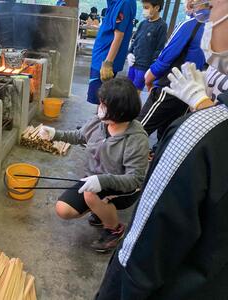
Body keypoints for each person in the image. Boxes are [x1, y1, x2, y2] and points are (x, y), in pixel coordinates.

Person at [95, 0, 228, 298]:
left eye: (216, 4)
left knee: (141, 130)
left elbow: (142, 251)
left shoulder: (201, 131)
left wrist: (152, 77)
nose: (207, 12)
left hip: (163, 283)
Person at [39, 78, 149, 253]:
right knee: (63, 209)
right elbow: (79, 136)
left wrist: (102, 180)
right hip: (94, 180)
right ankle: (100, 211)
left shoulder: (136, 139)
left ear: (120, 111)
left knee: (90, 195)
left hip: (122, 188)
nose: (100, 108)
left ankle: (114, 229)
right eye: (101, 103)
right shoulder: (100, 122)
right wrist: (54, 134)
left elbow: (135, 179)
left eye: (104, 105)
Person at [137, 0, 205, 148]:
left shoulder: (191, 24)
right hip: (193, 93)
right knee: (168, 136)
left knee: (137, 130)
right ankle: (155, 157)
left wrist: (149, 77)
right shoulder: (217, 27)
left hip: (172, 86)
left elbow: (166, 56)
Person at [87, 0, 137, 104]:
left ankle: (101, 119)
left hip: (104, 58)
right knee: (100, 99)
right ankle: (100, 118)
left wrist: (108, 63)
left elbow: (119, 35)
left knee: (102, 100)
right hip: (100, 55)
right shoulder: (114, 2)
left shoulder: (124, 3)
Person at [127, 0, 167, 93]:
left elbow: (159, 49)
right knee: (128, 91)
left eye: (147, 7)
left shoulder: (162, 26)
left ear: (156, 8)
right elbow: (134, 41)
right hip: (133, 63)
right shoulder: (143, 23)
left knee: (135, 93)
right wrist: (129, 53)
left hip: (144, 67)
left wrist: (152, 67)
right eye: (143, 7)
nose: (144, 10)